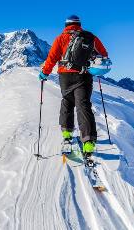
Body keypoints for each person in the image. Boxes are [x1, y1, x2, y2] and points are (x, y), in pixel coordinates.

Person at [38, 15, 108, 159]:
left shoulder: (60, 38)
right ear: (79, 25)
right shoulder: (90, 37)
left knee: (67, 102)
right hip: (84, 75)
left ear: (66, 25)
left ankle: (67, 134)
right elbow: (104, 54)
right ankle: (88, 142)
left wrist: (44, 73)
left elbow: (52, 58)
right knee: (83, 106)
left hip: (65, 77)